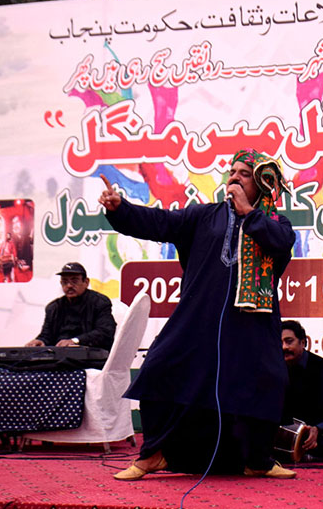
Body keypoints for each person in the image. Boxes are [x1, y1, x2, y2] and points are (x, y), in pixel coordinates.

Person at [100, 149, 296, 480]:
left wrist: (248, 213)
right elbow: (160, 223)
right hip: (200, 317)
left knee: (269, 379)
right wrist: (121, 210)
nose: (233, 177)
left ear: (263, 183)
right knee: (160, 367)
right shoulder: (204, 216)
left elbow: (280, 243)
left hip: (253, 323)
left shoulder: (274, 223)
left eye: (244, 174)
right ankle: (155, 455)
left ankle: (257, 460)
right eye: (232, 172)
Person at [280, 320, 323, 461]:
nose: (284, 347)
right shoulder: (276, 367)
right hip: (286, 431)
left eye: (289, 341)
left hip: (315, 433)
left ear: (303, 343)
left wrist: (318, 429)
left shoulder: (322, 368)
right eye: (280, 343)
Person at [25, 262, 116, 351]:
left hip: (89, 356)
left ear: (86, 282)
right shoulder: (54, 307)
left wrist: (75, 341)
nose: (69, 286)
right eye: (65, 282)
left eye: (74, 281)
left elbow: (105, 332)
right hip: (59, 355)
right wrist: (40, 341)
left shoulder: (99, 302)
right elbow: (46, 335)